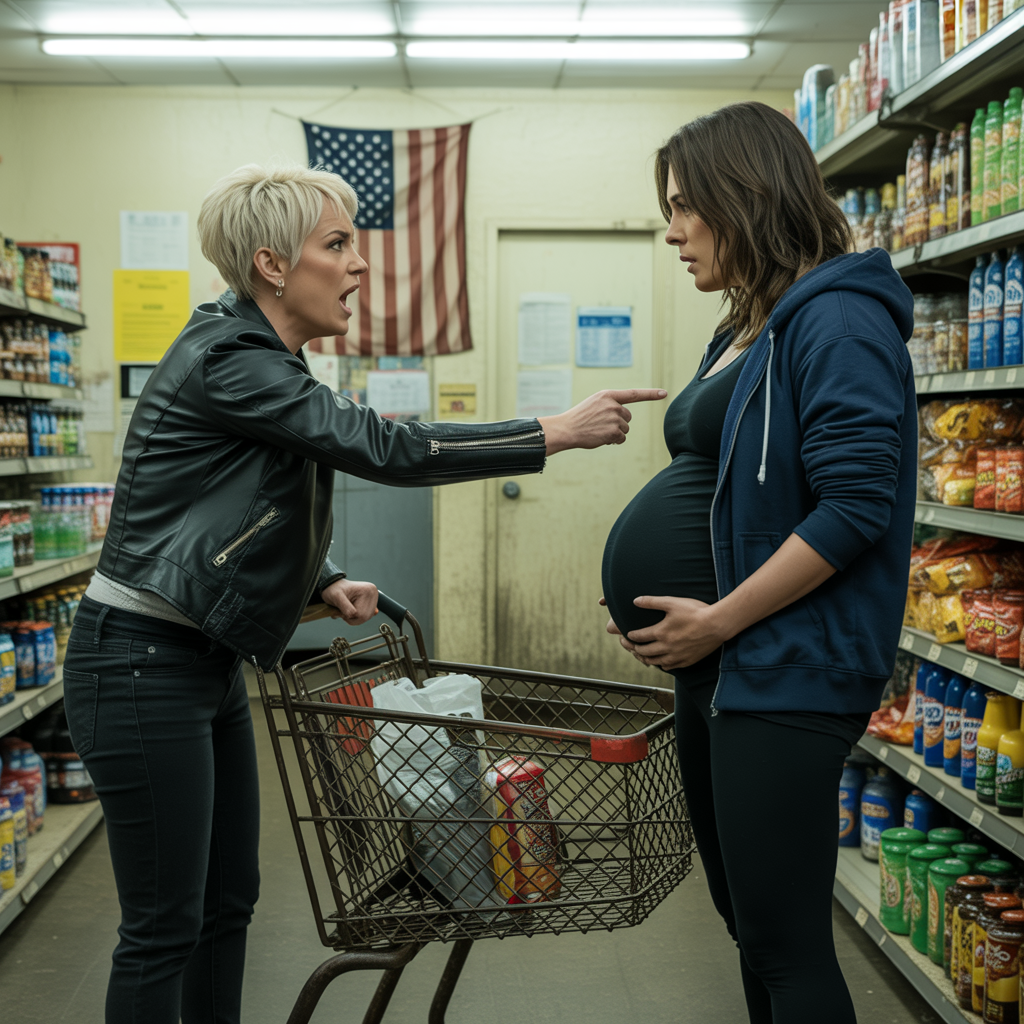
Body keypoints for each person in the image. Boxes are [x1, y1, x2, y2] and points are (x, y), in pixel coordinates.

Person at [62, 163, 665, 1024]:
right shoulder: (231, 356)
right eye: (337, 245)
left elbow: (230, 497)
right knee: (164, 926)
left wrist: (325, 579)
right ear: (274, 265)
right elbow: (384, 447)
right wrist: (550, 432)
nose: (359, 266)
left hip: (201, 665)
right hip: (137, 665)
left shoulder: (267, 359)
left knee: (228, 901)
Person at [601, 102, 916, 1023]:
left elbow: (854, 504)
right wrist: (661, 607)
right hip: (724, 664)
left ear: (741, 198)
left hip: (785, 669)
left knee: (785, 945)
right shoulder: (752, 322)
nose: (671, 233)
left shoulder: (841, 321)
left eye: (682, 208)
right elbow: (733, 490)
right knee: (746, 922)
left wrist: (721, 615)